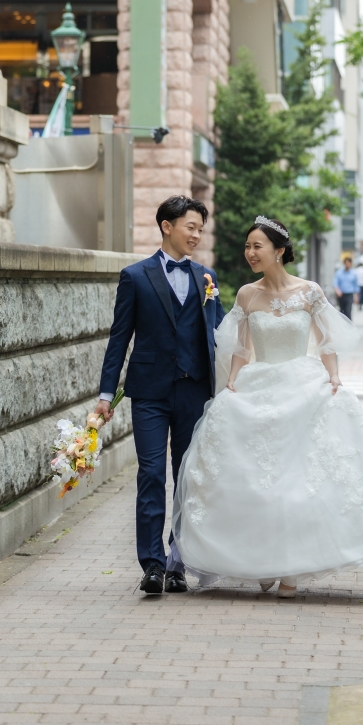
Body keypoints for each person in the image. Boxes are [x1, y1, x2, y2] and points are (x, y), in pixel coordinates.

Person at [172, 216, 363, 595]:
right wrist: (232, 380)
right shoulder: (247, 295)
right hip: (259, 383)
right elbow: (238, 344)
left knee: (298, 480)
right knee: (259, 481)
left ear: (279, 251)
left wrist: (333, 377)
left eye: (257, 246)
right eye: (247, 246)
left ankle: (290, 571)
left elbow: (327, 339)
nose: (250, 253)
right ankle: (261, 561)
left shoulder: (310, 291)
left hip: (301, 384)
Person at [95, 195, 225, 596]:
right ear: (167, 226)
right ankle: (152, 564)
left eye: (201, 229)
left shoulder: (207, 278)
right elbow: (120, 339)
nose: (197, 235)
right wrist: (105, 394)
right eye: (191, 227)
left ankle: (179, 561)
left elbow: (221, 334)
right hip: (149, 391)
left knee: (186, 477)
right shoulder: (135, 276)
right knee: (151, 474)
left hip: (193, 389)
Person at [334, 253, 359, 319]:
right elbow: (335, 283)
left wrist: (356, 296)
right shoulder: (339, 273)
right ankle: (342, 325)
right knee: (342, 310)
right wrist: (337, 291)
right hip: (341, 294)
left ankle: (349, 325)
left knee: (348, 310)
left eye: (348, 263)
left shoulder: (353, 273)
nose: (347, 264)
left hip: (349, 294)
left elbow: (356, 285)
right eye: (346, 263)